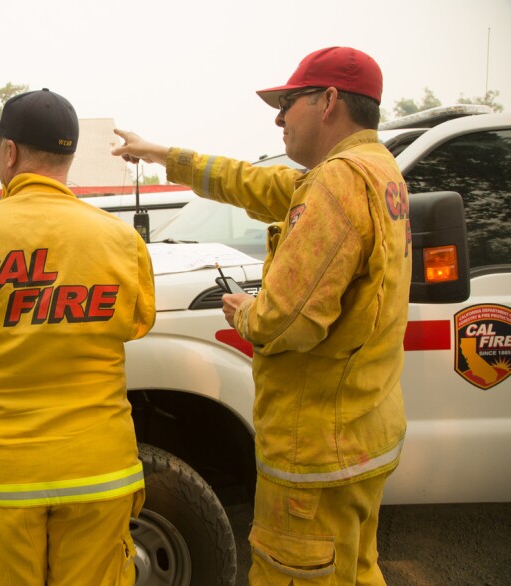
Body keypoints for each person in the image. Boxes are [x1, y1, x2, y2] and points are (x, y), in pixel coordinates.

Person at [112, 47, 411, 585]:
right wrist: (161, 154)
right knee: (353, 570)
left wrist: (247, 312)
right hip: (362, 434)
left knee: (292, 574)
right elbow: (248, 182)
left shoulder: (337, 183)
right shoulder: (376, 170)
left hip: (316, 448)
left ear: (329, 101)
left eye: (288, 101)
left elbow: (289, 321)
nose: (278, 116)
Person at [0, 88, 156, 585]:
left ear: (9, 152)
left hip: (5, 474)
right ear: (67, 158)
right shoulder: (119, 238)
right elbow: (137, 323)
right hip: (100, 466)